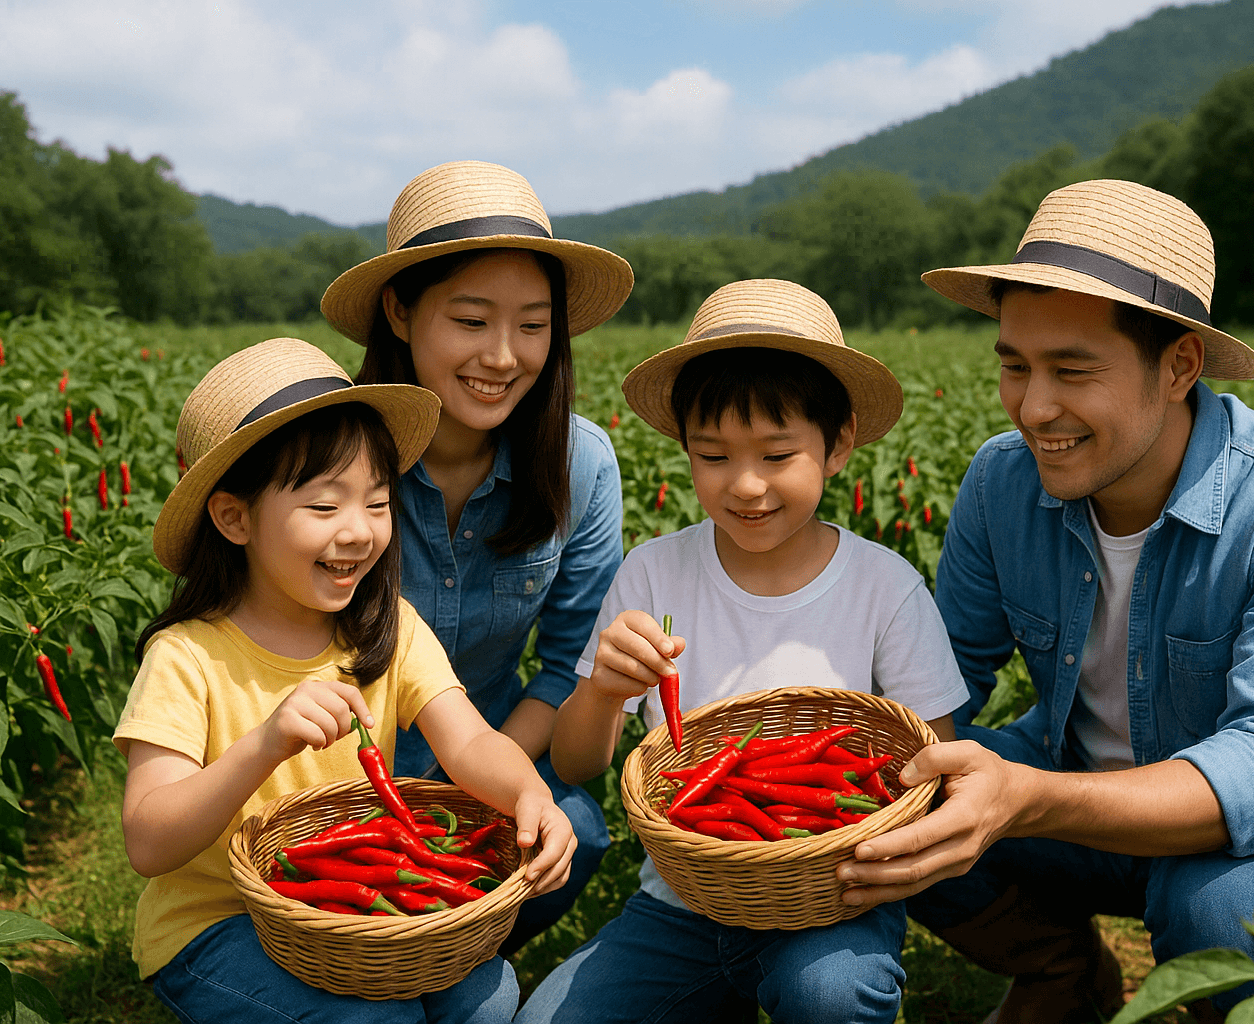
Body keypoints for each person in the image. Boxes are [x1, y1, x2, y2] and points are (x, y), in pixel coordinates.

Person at [836, 180, 1254, 1022]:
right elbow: (941, 679)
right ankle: (1063, 975)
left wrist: (1028, 798)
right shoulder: (1001, 482)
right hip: (1077, 779)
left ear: (1178, 367)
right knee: (883, 793)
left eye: (1072, 371)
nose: (1033, 408)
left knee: (1218, 916)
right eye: (1015, 366)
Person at [514, 279, 970, 1024]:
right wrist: (600, 691)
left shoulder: (884, 588)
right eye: (714, 455)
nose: (747, 485)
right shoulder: (653, 573)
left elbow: (935, 763)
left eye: (778, 454)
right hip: (680, 903)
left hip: (834, 899)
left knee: (829, 994)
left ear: (840, 443)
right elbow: (574, 764)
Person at [115, 338, 577, 1023]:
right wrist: (266, 743)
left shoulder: (387, 627)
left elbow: (470, 742)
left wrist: (528, 793)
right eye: (324, 507)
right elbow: (149, 841)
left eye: (378, 503)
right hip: (216, 923)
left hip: (343, 904)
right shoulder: (188, 657)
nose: (359, 532)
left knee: (491, 996)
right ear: (235, 517)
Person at [321, 161, 633, 950]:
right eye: (470, 320)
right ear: (400, 311)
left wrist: (475, 778)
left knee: (574, 832)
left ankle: (453, 955)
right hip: (336, 768)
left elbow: (568, 665)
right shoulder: (326, 466)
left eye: (532, 326)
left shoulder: (580, 466)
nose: (503, 356)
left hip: (497, 743)